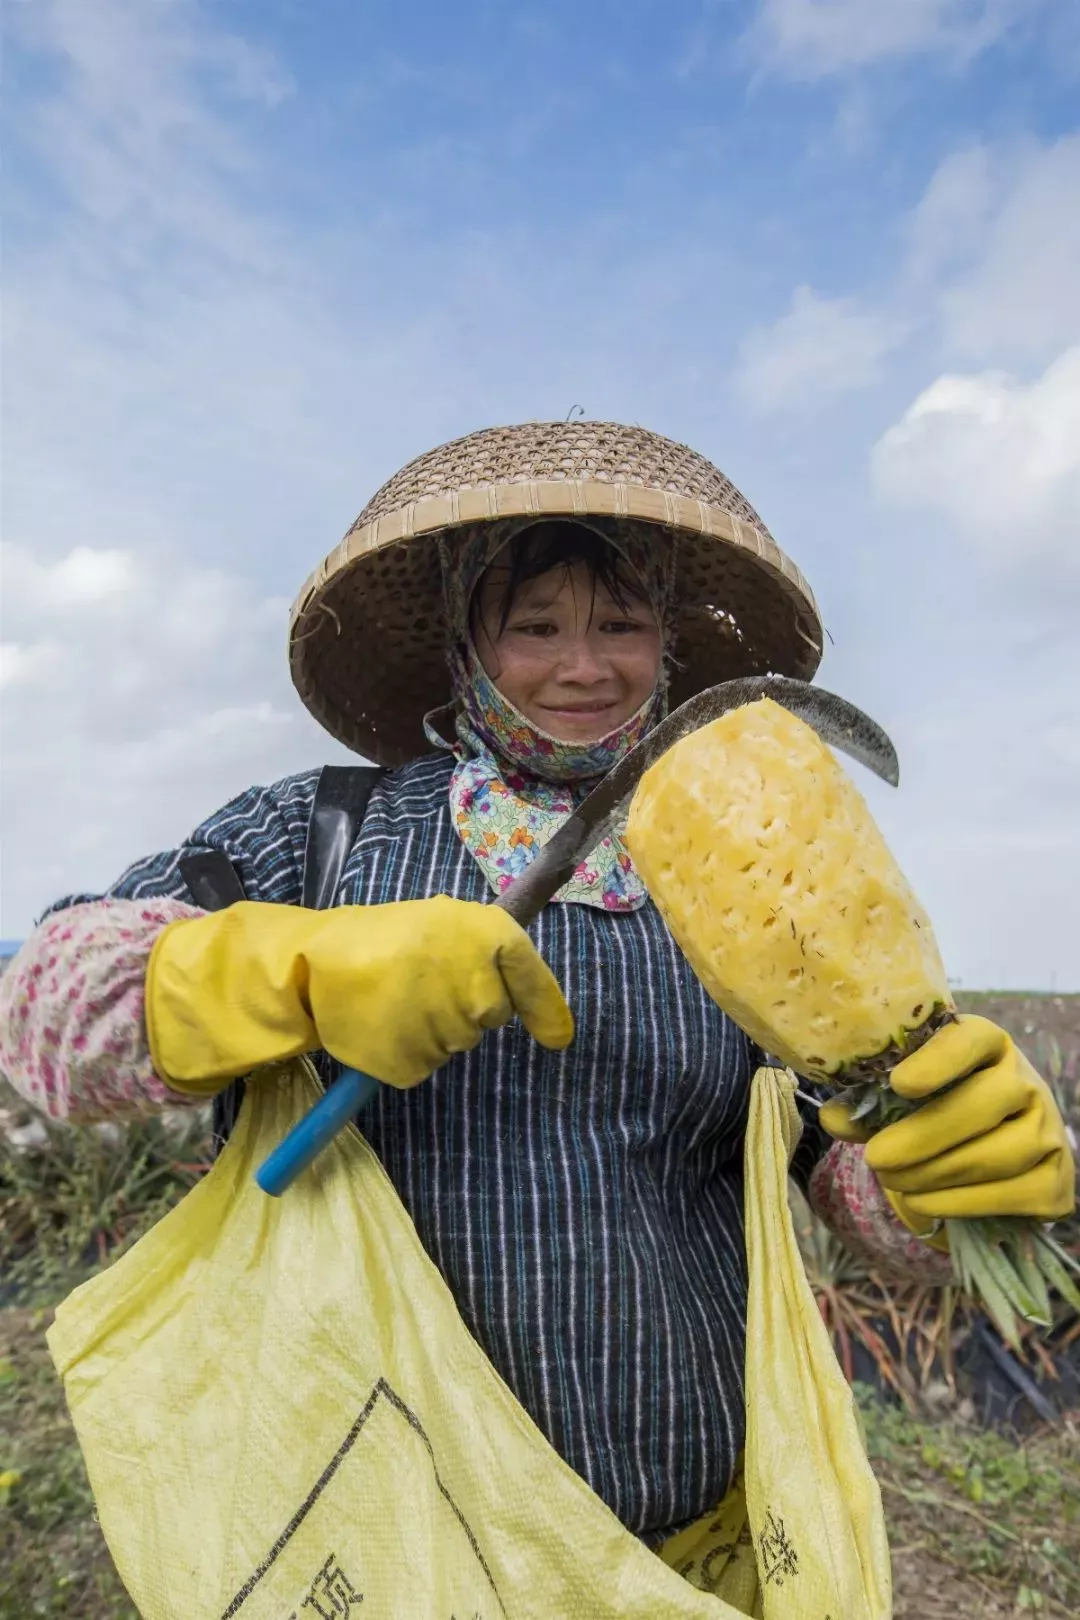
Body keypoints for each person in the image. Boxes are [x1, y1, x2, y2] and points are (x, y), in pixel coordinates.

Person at [1, 421, 1073, 1554]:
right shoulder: (324, 837)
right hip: (386, 1527)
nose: (584, 665)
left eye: (622, 624)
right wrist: (281, 974)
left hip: (689, 1536)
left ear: (667, 647)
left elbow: (836, 1173)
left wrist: (946, 1184)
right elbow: (38, 1020)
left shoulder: (750, 888)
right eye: (535, 627)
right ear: (468, 645)